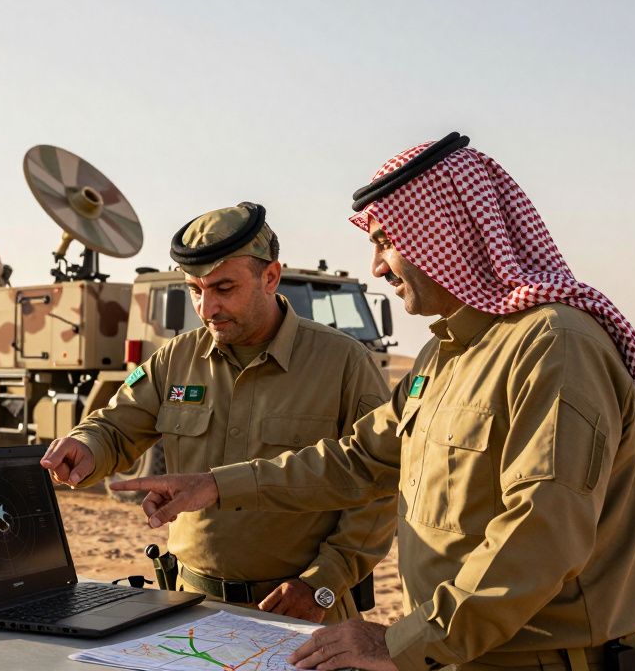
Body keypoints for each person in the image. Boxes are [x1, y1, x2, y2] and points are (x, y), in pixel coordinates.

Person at [114, 134, 635, 671]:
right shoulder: (449, 354)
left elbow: (542, 530)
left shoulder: (553, 347)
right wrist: (215, 485)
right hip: (460, 652)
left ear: (450, 232)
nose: (378, 266)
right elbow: (358, 460)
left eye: (387, 241)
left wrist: (403, 642)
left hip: (535, 657)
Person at [40, 202, 393, 624]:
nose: (207, 309)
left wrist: (321, 584)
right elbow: (115, 427)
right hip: (190, 608)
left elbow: (378, 488)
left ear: (270, 277)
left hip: (302, 614)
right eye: (194, 290)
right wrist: (87, 446)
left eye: (224, 289)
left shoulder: (344, 363)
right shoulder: (175, 358)